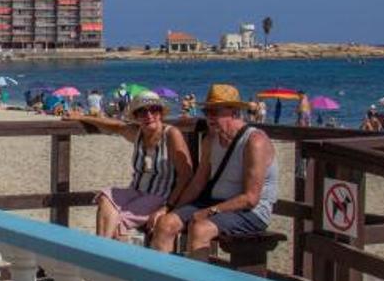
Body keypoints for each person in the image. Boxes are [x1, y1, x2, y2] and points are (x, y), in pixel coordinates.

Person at [151, 84, 278, 255]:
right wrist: (172, 209)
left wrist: (209, 212)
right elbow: (197, 183)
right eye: (207, 112)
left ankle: (195, 280)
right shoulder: (211, 140)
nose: (209, 117)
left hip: (250, 212)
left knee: (200, 229)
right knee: (165, 224)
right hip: (215, 202)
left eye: (215, 111)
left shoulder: (254, 141)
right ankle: (162, 278)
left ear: (234, 112)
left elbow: (250, 198)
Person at [69, 91, 192, 242]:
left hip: (160, 196)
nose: (148, 115)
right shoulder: (138, 133)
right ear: (136, 116)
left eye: (153, 109)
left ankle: (104, 254)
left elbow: (186, 175)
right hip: (135, 191)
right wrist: (81, 117)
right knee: (105, 198)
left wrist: (167, 207)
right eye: (142, 111)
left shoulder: (171, 135)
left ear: (160, 113)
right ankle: (103, 250)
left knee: (115, 222)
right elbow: (116, 126)